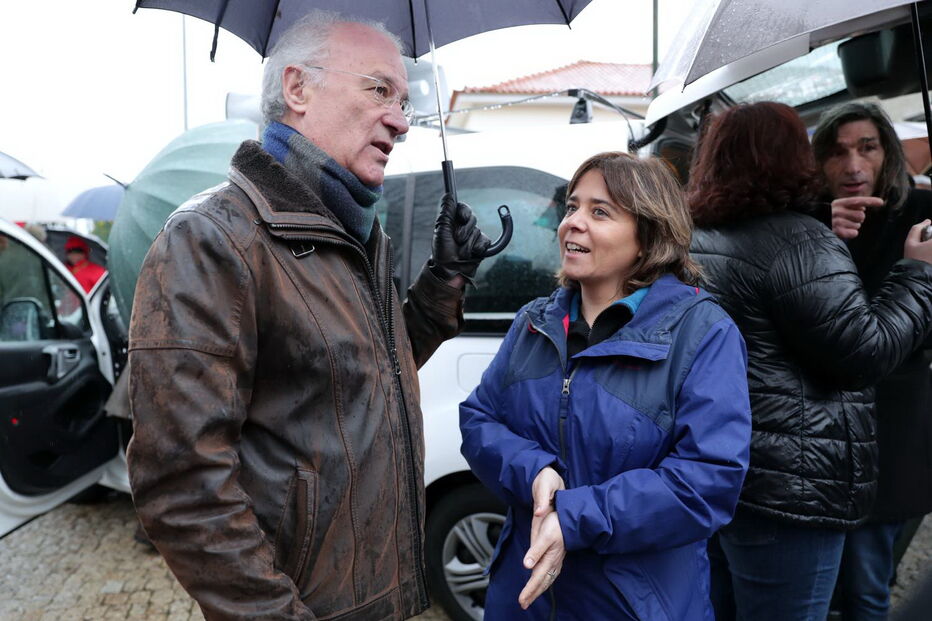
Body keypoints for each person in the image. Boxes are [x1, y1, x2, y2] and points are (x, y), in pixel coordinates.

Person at [127, 11, 492, 620]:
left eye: (403, 99)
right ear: (297, 88)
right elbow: (182, 486)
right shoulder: (214, 239)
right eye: (380, 89)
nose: (401, 120)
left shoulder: (353, 233)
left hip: (381, 598)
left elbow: (368, 367)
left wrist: (443, 283)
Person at [460, 151, 753, 620]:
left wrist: (576, 517)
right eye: (573, 206)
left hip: (633, 606)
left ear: (648, 237)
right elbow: (478, 420)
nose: (573, 222)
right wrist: (535, 471)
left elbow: (708, 481)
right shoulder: (534, 322)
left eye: (600, 212)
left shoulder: (703, 334)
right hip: (524, 599)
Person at [687, 101, 932, 621]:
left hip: (721, 468)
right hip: (793, 482)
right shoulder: (800, 241)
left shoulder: (697, 240)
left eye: (867, 148)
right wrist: (918, 274)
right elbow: (864, 354)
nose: (849, 164)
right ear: (795, 157)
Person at [812, 101, 932, 621]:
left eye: (867, 148)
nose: (853, 166)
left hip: (892, 431)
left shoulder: (922, 219)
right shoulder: (805, 220)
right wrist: (820, 229)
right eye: (838, 152)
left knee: (866, 586)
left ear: (888, 152)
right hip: (816, 438)